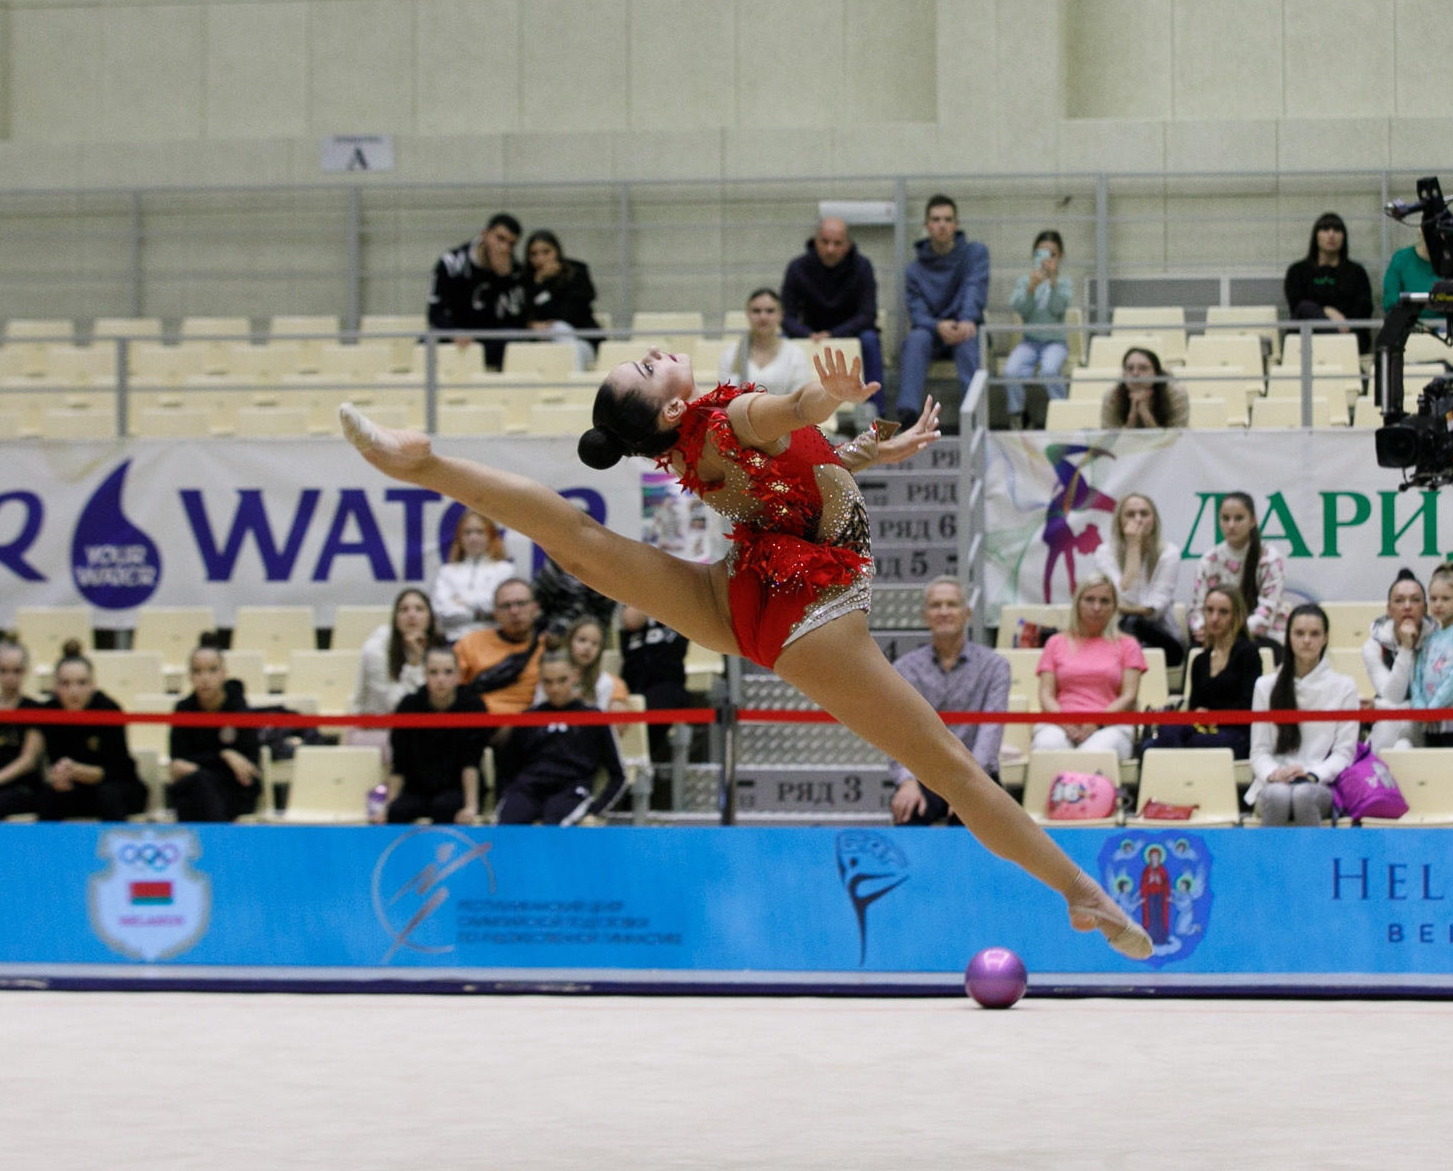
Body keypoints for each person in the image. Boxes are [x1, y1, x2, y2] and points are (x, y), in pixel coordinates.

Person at [339, 342, 1153, 958]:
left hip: (744, 593)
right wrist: (823, 398)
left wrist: (862, 451)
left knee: (583, 544)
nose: (654, 352)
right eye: (645, 367)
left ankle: (427, 463)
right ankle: (1080, 890)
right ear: (670, 408)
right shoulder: (721, 419)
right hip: (806, 607)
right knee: (953, 768)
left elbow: (785, 474)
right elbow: (784, 415)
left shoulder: (690, 443)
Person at [887, 577, 1010, 827]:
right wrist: (907, 781)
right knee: (908, 812)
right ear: (925, 616)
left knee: (973, 818)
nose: (944, 612)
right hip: (925, 774)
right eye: (936, 605)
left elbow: (990, 732)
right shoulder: (904, 669)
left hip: (976, 771)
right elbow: (898, 732)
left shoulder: (995, 667)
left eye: (952, 604)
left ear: (967, 614)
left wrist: (971, 784)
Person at [1248, 604, 1359, 826]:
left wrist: (1312, 774)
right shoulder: (1264, 686)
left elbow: (1344, 753)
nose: (1307, 640)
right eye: (1299, 633)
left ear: (1325, 638)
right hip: (1273, 783)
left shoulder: (1344, 687)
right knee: (1278, 794)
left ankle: (1313, 853)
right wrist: (1274, 774)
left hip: (1321, 783)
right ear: (1288, 637)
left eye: (1314, 634)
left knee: (1303, 794)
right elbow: (1259, 751)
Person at [493, 651, 627, 825]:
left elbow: (619, 775)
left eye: (562, 680)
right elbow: (505, 770)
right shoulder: (527, 718)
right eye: (548, 682)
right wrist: (505, 796)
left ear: (575, 676)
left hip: (571, 790)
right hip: (527, 788)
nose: (555, 689)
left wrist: (596, 809)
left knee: (554, 826)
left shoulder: (594, 717)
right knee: (507, 826)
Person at [1031, 573, 1145, 764]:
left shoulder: (1128, 645)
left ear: (1114, 606)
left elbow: (1129, 696)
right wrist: (1066, 723)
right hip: (1059, 724)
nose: (1096, 607)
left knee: (1093, 754)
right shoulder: (1055, 642)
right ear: (1078, 603)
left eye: (1104, 601)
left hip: (1110, 726)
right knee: (1046, 746)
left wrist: (1096, 723)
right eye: (1089, 599)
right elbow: (1045, 695)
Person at [898, 195, 990, 425]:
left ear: (956, 224)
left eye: (948, 219)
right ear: (926, 225)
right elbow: (917, 312)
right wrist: (937, 325)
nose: (942, 225)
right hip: (932, 332)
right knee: (915, 340)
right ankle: (908, 417)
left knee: (969, 339)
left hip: (964, 327)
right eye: (936, 219)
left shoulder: (975, 254)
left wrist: (967, 319)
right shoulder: (914, 270)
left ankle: (974, 418)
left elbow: (975, 288)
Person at [1146, 585, 1260, 761]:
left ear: (1236, 616)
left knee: (1172, 743)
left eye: (1223, 612)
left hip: (1237, 731)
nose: (1214, 618)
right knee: (1163, 733)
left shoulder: (1247, 653)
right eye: (1209, 610)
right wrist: (1199, 714)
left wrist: (1213, 716)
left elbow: (1249, 706)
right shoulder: (1200, 661)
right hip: (1203, 728)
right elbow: (1194, 706)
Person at [37, 641, 148, 821]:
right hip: (74, 788)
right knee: (48, 795)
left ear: (93, 685)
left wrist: (76, 770)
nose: (74, 691)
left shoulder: (109, 710)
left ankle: (115, 839)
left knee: (108, 795)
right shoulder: (47, 712)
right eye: (65, 683)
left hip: (117, 784)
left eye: (82, 683)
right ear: (55, 687)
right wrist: (56, 776)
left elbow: (116, 768)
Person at [386, 647, 488, 825]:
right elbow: (399, 763)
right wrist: (388, 806)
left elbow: (471, 762)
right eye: (433, 672)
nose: (441, 679)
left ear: (458, 675)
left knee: (443, 807)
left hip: (457, 788)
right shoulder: (408, 707)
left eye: (448, 672)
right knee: (397, 811)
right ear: (425, 675)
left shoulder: (473, 706)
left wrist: (471, 807)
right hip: (417, 788)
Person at [778, 216, 882, 387]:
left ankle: (875, 401)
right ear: (815, 242)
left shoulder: (862, 266)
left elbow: (868, 314)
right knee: (781, 340)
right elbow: (785, 316)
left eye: (837, 243)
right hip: (810, 333)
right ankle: (781, 399)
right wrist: (808, 334)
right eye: (824, 242)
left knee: (870, 339)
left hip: (851, 332)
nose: (830, 249)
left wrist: (832, 334)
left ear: (848, 245)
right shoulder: (797, 267)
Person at [167, 639, 261, 823]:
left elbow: (248, 766)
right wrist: (224, 756)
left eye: (212, 670)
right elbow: (177, 764)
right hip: (194, 789)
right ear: (190, 676)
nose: (205, 678)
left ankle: (214, 839)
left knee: (202, 785)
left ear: (224, 673)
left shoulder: (240, 710)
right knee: (198, 785)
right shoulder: (183, 710)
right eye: (197, 671)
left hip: (234, 791)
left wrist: (199, 766)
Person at [1187, 491, 1289, 646]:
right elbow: (1196, 610)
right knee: (1196, 649)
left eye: (1239, 518)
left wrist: (1231, 632)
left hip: (1263, 636)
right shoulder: (1208, 560)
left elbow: (1266, 613)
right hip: (1216, 634)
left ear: (1252, 521)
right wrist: (1202, 627)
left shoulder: (1270, 559)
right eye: (1225, 518)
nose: (1231, 525)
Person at [1093, 491, 1183, 667]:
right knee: (1129, 624)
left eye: (1144, 513)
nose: (1138, 519)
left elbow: (1155, 609)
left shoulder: (1169, 553)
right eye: (1130, 514)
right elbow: (1124, 598)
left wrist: (1119, 607)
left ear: (1154, 521)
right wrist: (1133, 548)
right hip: (1116, 630)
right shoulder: (1104, 553)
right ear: (1119, 522)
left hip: (1160, 633)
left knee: (1135, 623)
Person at [428, 212, 525, 369]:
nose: (504, 248)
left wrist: (503, 280)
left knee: (516, 342)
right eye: (500, 239)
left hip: (491, 337)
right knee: (426, 345)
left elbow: (516, 320)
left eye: (511, 244)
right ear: (484, 234)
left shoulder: (514, 270)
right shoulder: (452, 263)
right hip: (455, 334)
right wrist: (454, 333)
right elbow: (435, 311)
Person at [1004, 229, 1075, 418]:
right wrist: (1031, 288)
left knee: (1049, 372)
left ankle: (1063, 415)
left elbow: (1059, 309)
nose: (1045, 259)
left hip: (1056, 343)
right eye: (1040, 253)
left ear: (1060, 256)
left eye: (1051, 254)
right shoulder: (1025, 282)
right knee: (1010, 372)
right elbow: (1021, 309)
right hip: (1029, 341)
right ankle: (1018, 415)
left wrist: (1053, 283)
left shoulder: (1064, 283)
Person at [0, 641, 46, 819]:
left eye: (16, 671)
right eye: (3, 670)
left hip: (21, 787)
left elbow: (28, 761)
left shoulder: (34, 710)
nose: (9, 677)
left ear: (25, 671)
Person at [1409, 563, 1453, 750]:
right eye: (1433, 599)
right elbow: (1416, 674)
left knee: (1452, 765)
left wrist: (1435, 707)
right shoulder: (1430, 635)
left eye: (1445, 599)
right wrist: (1420, 707)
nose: (1438, 604)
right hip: (1429, 721)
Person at [351, 588, 433, 745]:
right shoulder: (376, 650)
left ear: (430, 618)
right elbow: (396, 707)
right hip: (376, 730)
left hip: (422, 729)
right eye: (404, 609)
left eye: (419, 609)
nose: (411, 615)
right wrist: (414, 665)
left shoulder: (438, 648)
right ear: (395, 618)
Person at [455, 577, 545, 715]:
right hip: (478, 721)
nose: (514, 611)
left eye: (521, 603)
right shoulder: (471, 643)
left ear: (535, 608)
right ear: (495, 614)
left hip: (530, 723)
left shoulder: (549, 648)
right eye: (506, 606)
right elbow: (450, 690)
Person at [1284, 213, 1375, 352]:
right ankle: (1335, 339)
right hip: (1309, 336)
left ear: (1343, 237)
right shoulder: (1297, 271)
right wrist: (1327, 311)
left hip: (1348, 333)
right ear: (1316, 236)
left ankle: (1336, 340)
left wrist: (1341, 320)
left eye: (1337, 230)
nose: (1331, 235)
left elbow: (1364, 309)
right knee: (1305, 308)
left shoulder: (1357, 272)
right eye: (1325, 229)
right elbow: (1297, 306)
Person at [1363, 569, 1427, 751]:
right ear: (1389, 610)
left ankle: (1374, 759)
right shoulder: (1373, 646)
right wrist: (1406, 648)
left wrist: (1378, 706)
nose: (1407, 606)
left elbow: (1431, 702)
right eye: (1399, 601)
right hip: (1392, 726)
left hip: (1427, 726)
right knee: (1401, 744)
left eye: (1415, 600)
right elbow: (1393, 696)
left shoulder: (1438, 641)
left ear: (1425, 608)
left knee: (1392, 723)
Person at [432, 511, 520, 641]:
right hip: (454, 640)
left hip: (492, 641)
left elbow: (501, 606)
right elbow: (441, 610)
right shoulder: (446, 572)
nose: (473, 538)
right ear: (460, 538)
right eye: (467, 532)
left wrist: (462, 601)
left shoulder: (505, 570)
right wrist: (481, 614)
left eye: (480, 532)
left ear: (490, 535)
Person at [522, 229, 599, 369]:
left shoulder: (577, 273)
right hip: (543, 342)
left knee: (559, 330)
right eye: (534, 254)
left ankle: (574, 381)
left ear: (557, 251)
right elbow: (526, 316)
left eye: (546, 252)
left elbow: (566, 315)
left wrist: (542, 289)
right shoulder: (527, 281)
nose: (540, 259)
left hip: (581, 340)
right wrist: (539, 284)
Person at [720, 288, 815, 394]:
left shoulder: (796, 354)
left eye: (770, 311)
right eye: (756, 311)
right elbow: (725, 397)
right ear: (747, 314)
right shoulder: (731, 353)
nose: (763, 317)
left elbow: (801, 398)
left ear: (780, 315)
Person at [1382, 230, 1453, 314]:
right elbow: (1389, 301)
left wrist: (1418, 303)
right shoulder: (1401, 258)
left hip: (1450, 324)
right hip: (1412, 324)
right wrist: (1435, 302)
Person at [533, 554, 616, 645]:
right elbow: (540, 598)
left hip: (591, 631)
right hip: (554, 631)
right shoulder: (557, 559)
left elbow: (605, 611)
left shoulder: (602, 564)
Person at [560, 615, 631, 711]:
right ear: (569, 642)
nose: (588, 647)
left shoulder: (605, 682)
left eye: (595, 643)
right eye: (582, 640)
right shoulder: (552, 675)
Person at [1101, 347, 1182, 429]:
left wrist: (1145, 413)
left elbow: (1177, 435)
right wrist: (1132, 415)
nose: (1135, 373)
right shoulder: (1112, 396)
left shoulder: (1176, 394)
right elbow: (1110, 436)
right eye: (1130, 368)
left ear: (1156, 373)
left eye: (1143, 368)